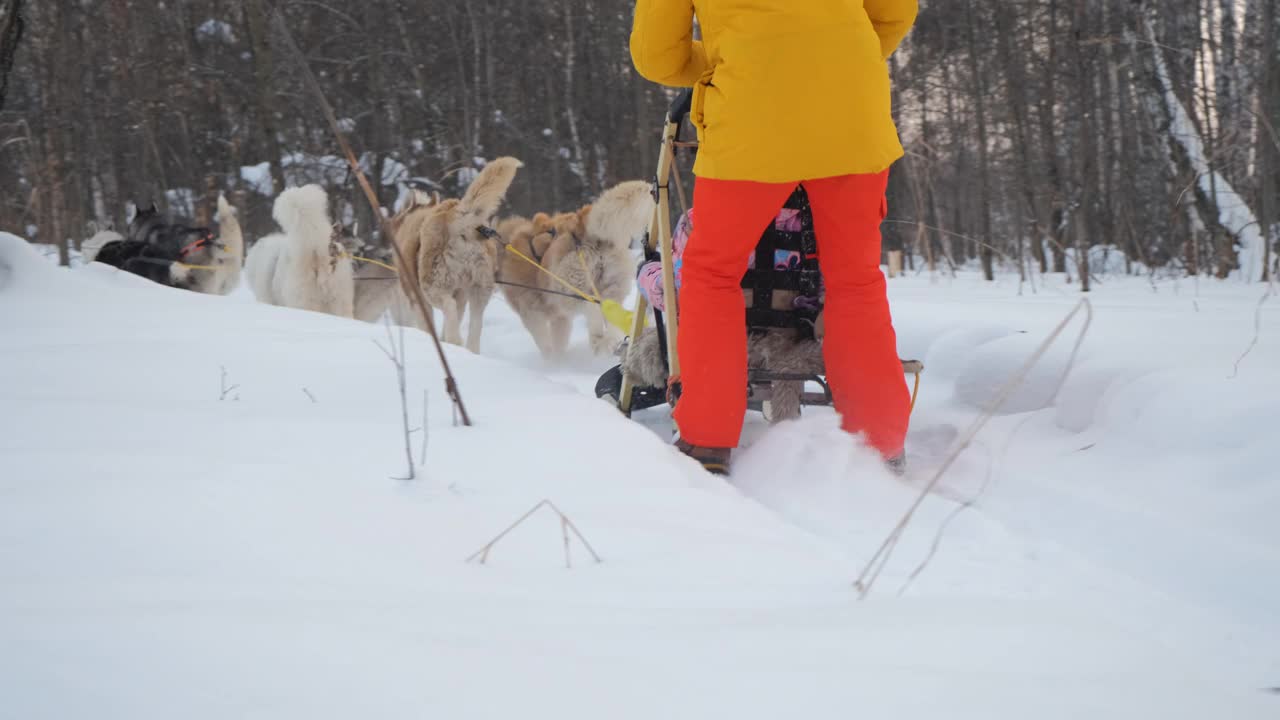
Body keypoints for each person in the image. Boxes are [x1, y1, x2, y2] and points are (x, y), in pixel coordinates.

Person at [630, 0, 918, 474]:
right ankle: (879, 442)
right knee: (855, 280)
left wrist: (734, 57)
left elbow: (658, 55)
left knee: (712, 273)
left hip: (749, 118)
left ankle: (707, 437)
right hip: (851, 113)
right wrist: (831, 58)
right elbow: (894, 13)